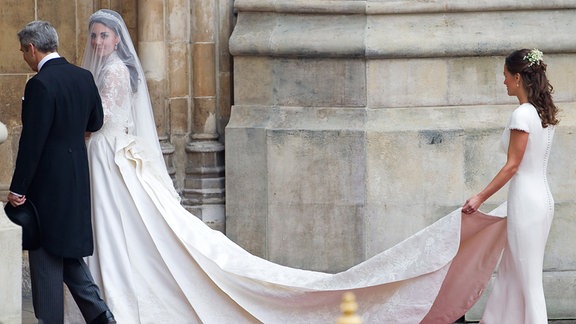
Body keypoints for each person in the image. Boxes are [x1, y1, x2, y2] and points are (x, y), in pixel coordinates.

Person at [68, 9, 520, 323]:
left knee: (124, 225)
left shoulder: (113, 72)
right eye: (94, 36)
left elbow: (106, 117)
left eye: (104, 36)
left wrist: (81, 129)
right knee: (118, 225)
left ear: (116, 39)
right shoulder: (107, 69)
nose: (98, 42)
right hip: (114, 155)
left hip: (112, 152)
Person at [7, 20, 116, 323]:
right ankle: (100, 314)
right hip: (77, 177)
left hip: (46, 184)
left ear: (32, 48)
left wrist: (18, 187)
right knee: (64, 249)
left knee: (44, 254)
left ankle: (51, 320)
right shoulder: (84, 77)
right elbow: (95, 122)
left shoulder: (40, 84)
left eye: (22, 52)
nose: (24, 58)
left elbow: (32, 141)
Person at [462, 48, 558, 323]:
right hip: (542, 200)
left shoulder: (522, 114)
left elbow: (513, 165)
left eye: (505, 76)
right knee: (511, 273)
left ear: (517, 77)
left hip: (526, 201)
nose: (503, 81)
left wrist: (479, 197)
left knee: (527, 279)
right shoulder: (543, 114)